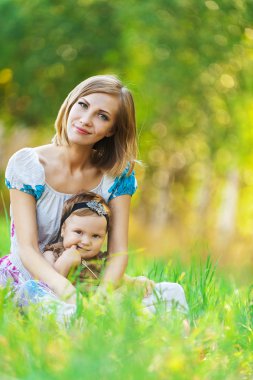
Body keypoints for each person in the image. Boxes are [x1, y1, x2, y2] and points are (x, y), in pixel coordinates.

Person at [0, 75, 139, 317]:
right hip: (28, 280)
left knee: (162, 299)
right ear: (71, 103)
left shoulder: (116, 176)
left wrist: (101, 298)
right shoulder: (29, 165)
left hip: (85, 282)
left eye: (102, 116)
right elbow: (28, 248)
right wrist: (66, 293)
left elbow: (118, 254)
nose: (86, 120)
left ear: (112, 130)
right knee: (61, 316)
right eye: (83, 105)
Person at [43, 191, 189, 314]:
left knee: (173, 290)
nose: (86, 241)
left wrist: (137, 282)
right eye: (78, 232)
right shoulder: (54, 253)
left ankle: (177, 331)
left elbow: (121, 281)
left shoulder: (101, 261)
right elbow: (46, 288)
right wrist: (65, 262)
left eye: (95, 236)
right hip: (70, 310)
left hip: (104, 309)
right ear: (63, 229)